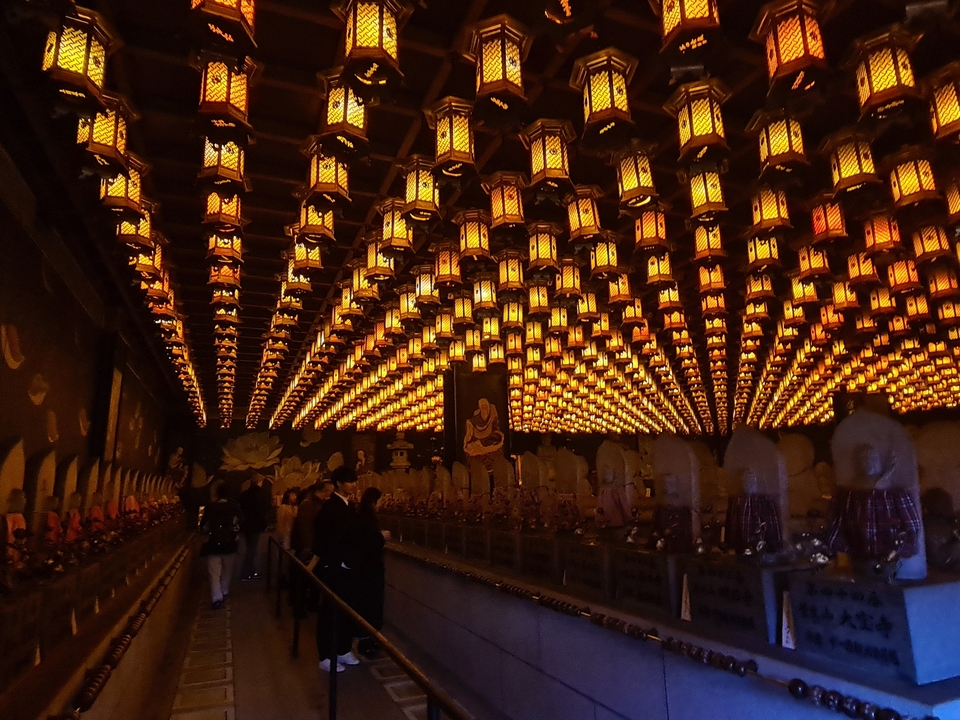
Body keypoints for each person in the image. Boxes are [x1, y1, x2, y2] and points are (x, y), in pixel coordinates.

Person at [313, 466, 361, 673]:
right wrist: (338, 558)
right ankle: (325, 655)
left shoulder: (348, 505)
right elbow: (328, 537)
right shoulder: (331, 507)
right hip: (335, 565)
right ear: (339, 483)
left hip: (346, 565)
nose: (353, 485)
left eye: (354, 481)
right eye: (350, 481)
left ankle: (342, 649)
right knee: (330, 610)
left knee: (345, 609)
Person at [354, 487, 391, 657]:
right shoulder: (365, 517)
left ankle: (370, 639)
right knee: (369, 605)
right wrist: (381, 536)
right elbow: (366, 540)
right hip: (368, 569)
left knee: (372, 605)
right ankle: (365, 642)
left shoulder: (364, 515)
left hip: (369, 568)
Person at [200, 483, 242, 610]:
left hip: (213, 542)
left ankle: (216, 598)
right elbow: (241, 521)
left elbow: (203, 525)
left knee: (214, 572)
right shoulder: (234, 507)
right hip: (229, 542)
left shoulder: (210, 506)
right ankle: (224, 591)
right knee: (227, 570)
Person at [239, 470, 271, 580]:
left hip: (246, 525)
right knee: (252, 550)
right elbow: (262, 511)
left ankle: (251, 571)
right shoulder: (261, 495)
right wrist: (264, 524)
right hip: (256, 525)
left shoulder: (244, 495)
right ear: (258, 482)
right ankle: (246, 572)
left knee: (249, 549)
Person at [293, 480, 334, 556]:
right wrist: (308, 546)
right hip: (311, 546)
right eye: (331, 491)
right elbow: (305, 527)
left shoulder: (321, 503)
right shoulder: (308, 504)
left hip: (318, 544)